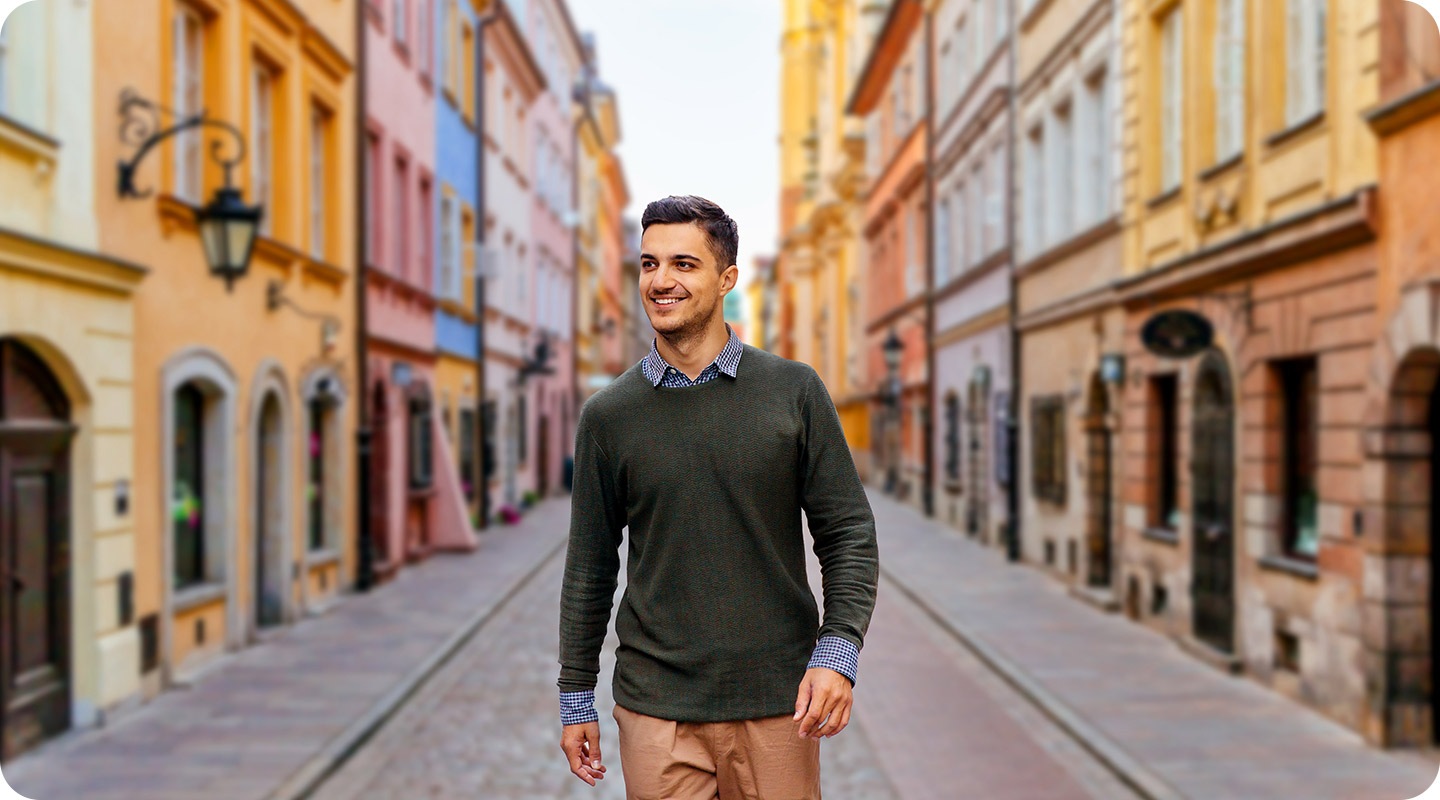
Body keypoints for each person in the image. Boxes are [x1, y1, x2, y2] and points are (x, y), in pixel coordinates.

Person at [557, 195, 879, 799]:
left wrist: (838, 654)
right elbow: (589, 569)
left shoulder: (793, 392)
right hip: (656, 707)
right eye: (649, 264)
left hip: (779, 702)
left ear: (726, 278)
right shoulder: (609, 416)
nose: (661, 281)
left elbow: (848, 535)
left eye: (683, 264)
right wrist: (576, 697)